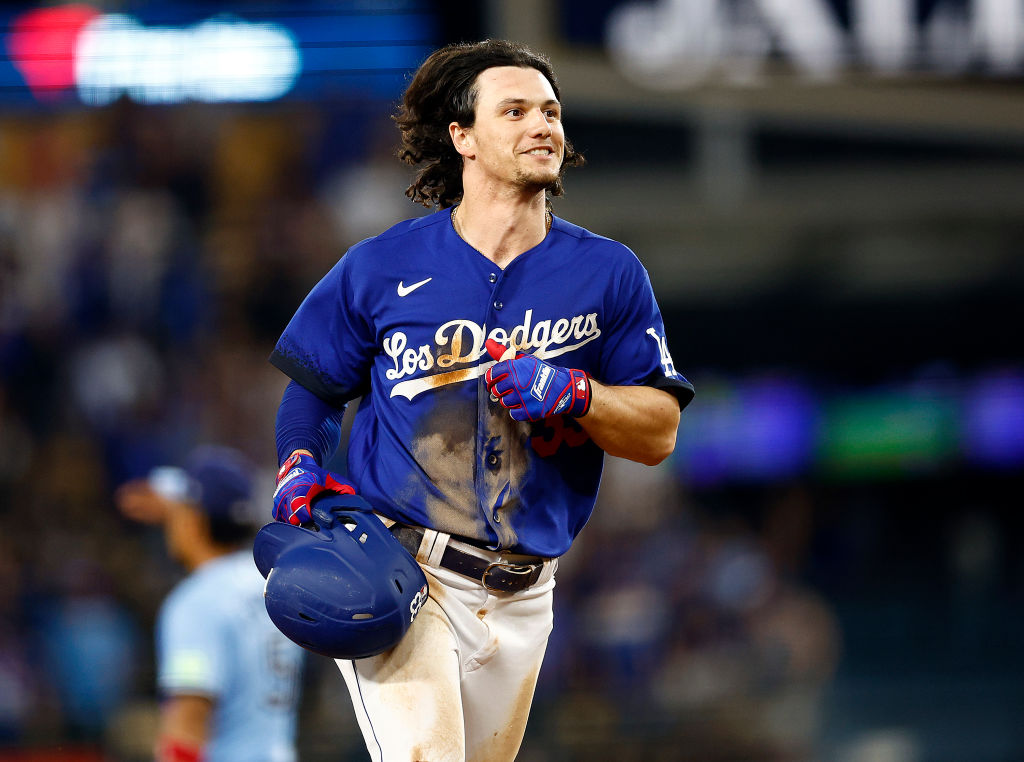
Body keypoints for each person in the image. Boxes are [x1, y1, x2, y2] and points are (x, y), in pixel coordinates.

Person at [268, 39, 694, 761]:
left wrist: (575, 392)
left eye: (552, 111)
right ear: (462, 137)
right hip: (406, 573)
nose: (544, 126)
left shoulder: (607, 274)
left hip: (527, 593)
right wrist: (299, 463)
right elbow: (311, 389)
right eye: (517, 110)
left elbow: (659, 433)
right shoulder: (381, 267)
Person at [115, 445, 304, 762]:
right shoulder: (273, 586)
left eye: (178, 511)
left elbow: (189, 720)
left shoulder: (197, 602)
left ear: (195, 520)